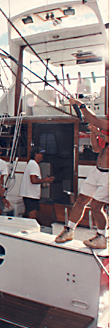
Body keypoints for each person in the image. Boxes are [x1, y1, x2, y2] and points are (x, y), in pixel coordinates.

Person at [55, 97, 109, 249]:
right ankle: (69, 230)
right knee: (81, 200)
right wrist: (93, 133)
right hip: (97, 171)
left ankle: (102, 237)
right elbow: (97, 149)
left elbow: (93, 119)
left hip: (108, 175)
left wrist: (80, 105)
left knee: (96, 206)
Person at [19, 146, 54, 219]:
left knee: (27, 213)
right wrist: (46, 180)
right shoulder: (34, 164)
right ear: (36, 154)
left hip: (29, 195)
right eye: (41, 154)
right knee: (32, 214)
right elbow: (34, 180)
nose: (42, 155)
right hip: (30, 195)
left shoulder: (31, 164)